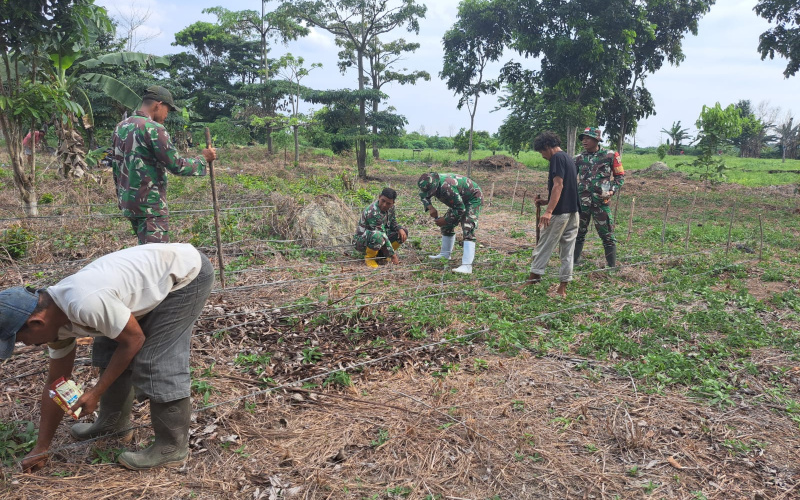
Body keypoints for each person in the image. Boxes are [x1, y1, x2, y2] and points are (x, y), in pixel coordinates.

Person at [0, 243, 214, 471]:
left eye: (22, 340)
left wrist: (96, 392)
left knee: (156, 360)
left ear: (36, 322)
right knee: (108, 349)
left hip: (185, 275)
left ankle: (172, 448)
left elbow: (134, 340)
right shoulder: (54, 321)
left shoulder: (85, 302)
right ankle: (113, 424)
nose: (28, 345)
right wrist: (42, 447)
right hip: (142, 281)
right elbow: (56, 382)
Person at [110, 86, 216, 245]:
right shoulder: (153, 129)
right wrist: (203, 159)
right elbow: (177, 165)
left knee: (143, 253)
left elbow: (116, 167)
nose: (167, 115)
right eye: (168, 109)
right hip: (150, 206)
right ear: (158, 105)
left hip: (129, 203)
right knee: (156, 258)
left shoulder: (121, 127)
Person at [526, 132, 580, 297]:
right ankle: (562, 288)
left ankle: (532, 281)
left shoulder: (556, 158)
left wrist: (549, 211)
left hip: (559, 213)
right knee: (567, 251)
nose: (543, 156)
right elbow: (568, 188)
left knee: (544, 246)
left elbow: (559, 185)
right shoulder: (569, 159)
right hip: (574, 212)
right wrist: (546, 202)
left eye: (542, 152)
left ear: (547, 147)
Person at [573, 126, 625, 268]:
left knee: (607, 236)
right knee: (577, 234)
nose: (584, 141)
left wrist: (612, 190)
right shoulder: (578, 158)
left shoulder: (610, 155)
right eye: (583, 138)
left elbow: (620, 177)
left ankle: (611, 266)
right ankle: (574, 262)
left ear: (596, 140)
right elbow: (570, 179)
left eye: (588, 138)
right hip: (582, 203)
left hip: (601, 203)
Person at [417, 172, 483, 274]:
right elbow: (423, 196)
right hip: (459, 202)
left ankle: (467, 266)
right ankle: (445, 255)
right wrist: (430, 207)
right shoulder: (428, 183)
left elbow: (461, 209)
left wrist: (446, 219)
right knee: (446, 226)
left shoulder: (446, 187)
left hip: (472, 198)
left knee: (467, 226)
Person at [353, 187, 408, 268]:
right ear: (379, 197)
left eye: (388, 203)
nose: (384, 205)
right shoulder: (373, 212)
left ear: (393, 203)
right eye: (383, 201)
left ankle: (383, 256)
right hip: (362, 242)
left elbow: (392, 221)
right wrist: (393, 255)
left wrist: (399, 228)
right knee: (378, 236)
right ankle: (370, 258)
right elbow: (382, 234)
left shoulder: (391, 208)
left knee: (402, 233)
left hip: (379, 238)